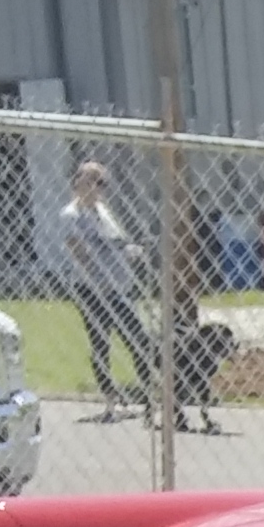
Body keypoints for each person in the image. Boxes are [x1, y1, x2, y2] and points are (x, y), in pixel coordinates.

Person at [58, 159, 152, 416]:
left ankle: (148, 396)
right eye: (93, 181)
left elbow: (118, 241)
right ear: (78, 181)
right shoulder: (71, 215)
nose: (98, 188)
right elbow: (79, 252)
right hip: (92, 289)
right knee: (100, 343)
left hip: (118, 287)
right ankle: (110, 401)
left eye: (102, 183)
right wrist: (109, 255)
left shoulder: (103, 211)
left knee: (138, 338)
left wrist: (128, 251)